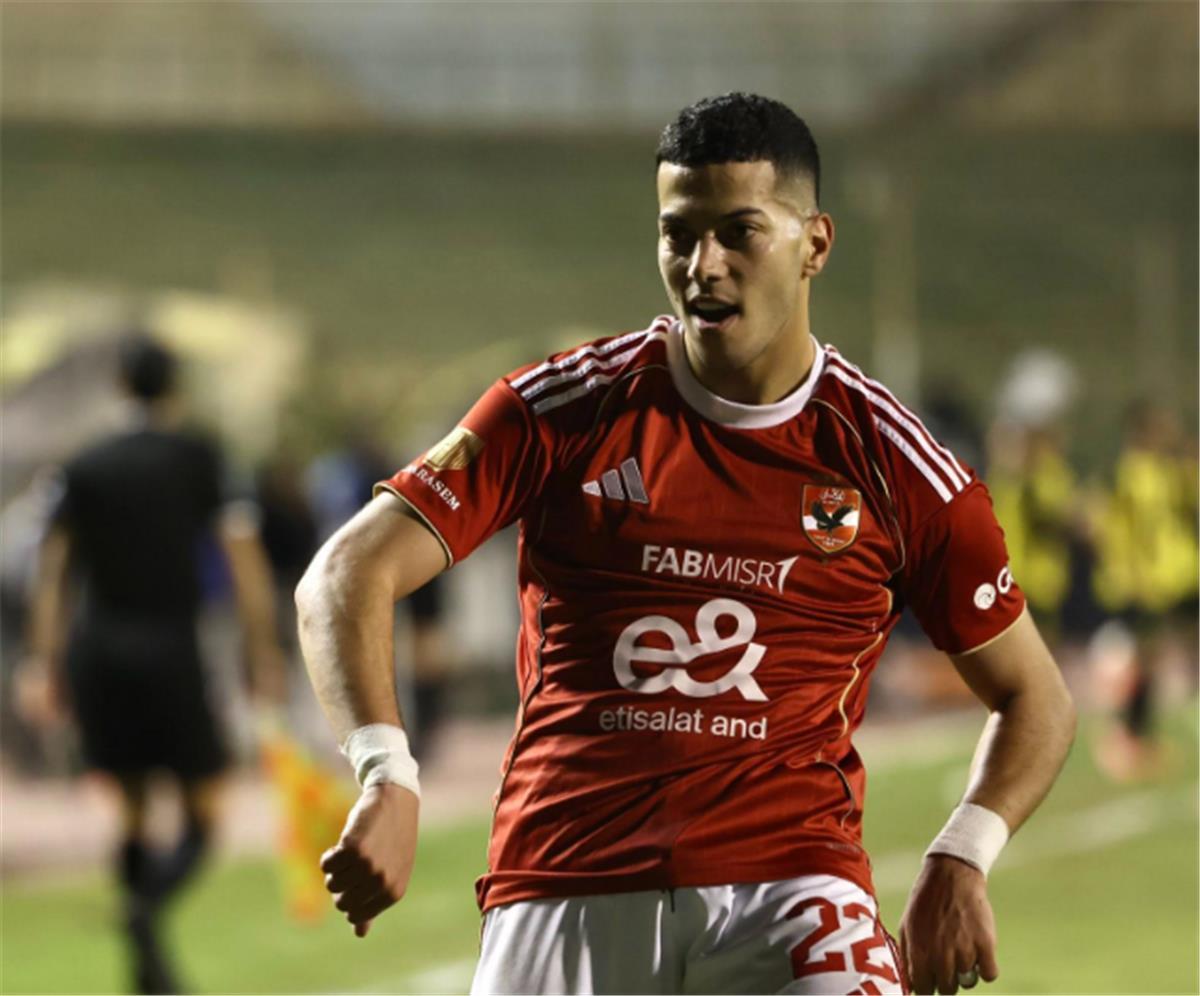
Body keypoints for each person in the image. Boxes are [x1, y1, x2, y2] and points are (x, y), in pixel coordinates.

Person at [296, 93, 1076, 996]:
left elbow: (1036, 697)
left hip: (792, 890)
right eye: (679, 235)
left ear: (815, 243)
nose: (704, 267)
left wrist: (963, 853)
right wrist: (385, 773)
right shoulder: (564, 410)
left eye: (740, 232)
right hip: (562, 883)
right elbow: (345, 573)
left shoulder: (894, 462)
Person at [17, 333, 285, 994]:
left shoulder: (81, 464)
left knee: (133, 808)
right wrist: (262, 650)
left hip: (99, 651)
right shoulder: (200, 458)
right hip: (171, 647)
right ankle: (145, 912)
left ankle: (146, 967)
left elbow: (51, 574)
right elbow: (244, 561)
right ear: (175, 387)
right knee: (205, 811)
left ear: (120, 386)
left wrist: (42, 662)